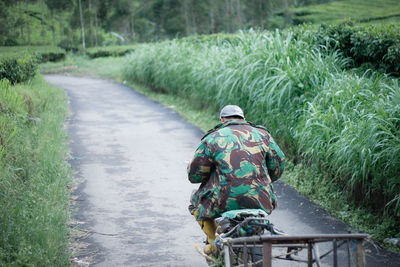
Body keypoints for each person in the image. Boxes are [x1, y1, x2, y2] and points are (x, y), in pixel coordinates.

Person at [187, 105, 285, 254]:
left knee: (195, 200)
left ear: (222, 119)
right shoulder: (263, 135)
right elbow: (277, 168)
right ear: (243, 118)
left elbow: (195, 176)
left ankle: (213, 242)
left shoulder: (213, 137)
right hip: (261, 199)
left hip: (223, 202)